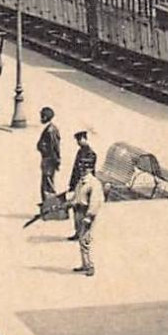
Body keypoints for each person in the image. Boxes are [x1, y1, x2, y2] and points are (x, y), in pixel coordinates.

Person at [65, 137, 104, 277]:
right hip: (78, 211)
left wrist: (89, 216)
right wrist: (69, 203)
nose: (82, 171)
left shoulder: (93, 183)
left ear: (90, 169)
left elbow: (94, 202)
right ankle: (84, 264)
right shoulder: (81, 182)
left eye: (85, 168)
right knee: (81, 240)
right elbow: (77, 196)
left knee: (85, 241)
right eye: (81, 168)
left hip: (86, 214)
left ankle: (90, 266)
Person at [35, 107, 61, 204]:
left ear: (45, 117)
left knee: (48, 184)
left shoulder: (51, 130)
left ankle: (50, 206)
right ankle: (47, 205)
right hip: (47, 159)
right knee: (46, 183)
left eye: (42, 116)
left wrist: (57, 160)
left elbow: (55, 147)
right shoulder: (50, 129)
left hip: (49, 160)